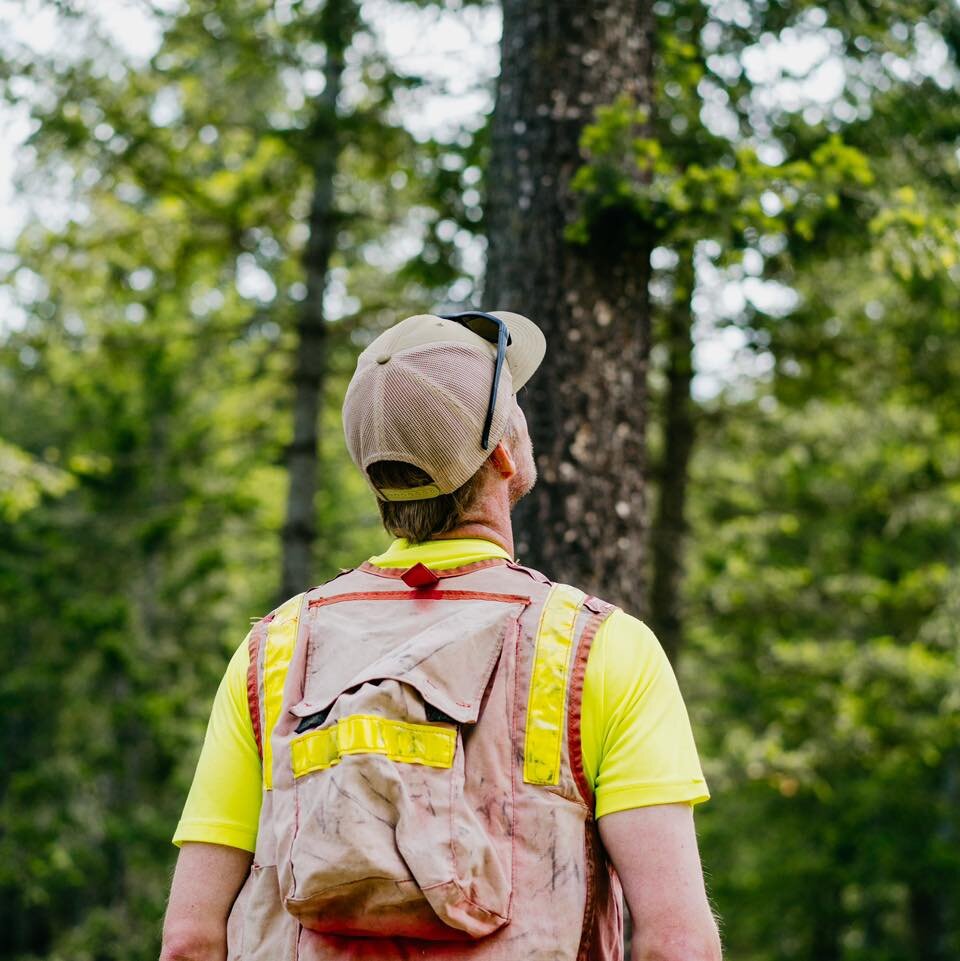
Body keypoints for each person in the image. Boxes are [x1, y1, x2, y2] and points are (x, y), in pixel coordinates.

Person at [160, 310, 722, 961]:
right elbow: (678, 943)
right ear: (504, 453)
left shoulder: (274, 651)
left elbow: (190, 940)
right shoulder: (598, 648)